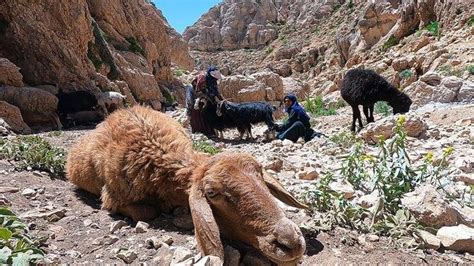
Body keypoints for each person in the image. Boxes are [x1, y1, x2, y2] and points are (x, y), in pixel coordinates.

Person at [186, 66, 223, 137]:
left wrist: (221, 100)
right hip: (193, 92)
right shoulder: (203, 78)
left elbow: (216, 92)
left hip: (204, 95)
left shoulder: (213, 81)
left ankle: (209, 131)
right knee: (196, 109)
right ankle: (198, 130)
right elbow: (198, 91)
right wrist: (207, 97)